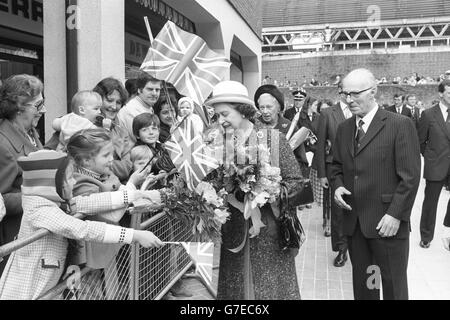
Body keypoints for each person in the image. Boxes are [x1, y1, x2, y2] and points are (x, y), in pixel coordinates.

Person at [0, 149, 165, 300]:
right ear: (51, 182)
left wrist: (140, 195)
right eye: (69, 178)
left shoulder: (55, 201)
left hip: (45, 286)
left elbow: (91, 202)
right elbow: (82, 229)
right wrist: (133, 235)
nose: (74, 182)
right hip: (27, 290)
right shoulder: (40, 209)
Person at [205, 81, 302, 300]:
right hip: (235, 232)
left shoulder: (272, 139)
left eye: (225, 114)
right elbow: (212, 184)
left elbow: (296, 182)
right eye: (217, 115)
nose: (221, 121)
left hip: (269, 233)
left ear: (243, 110)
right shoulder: (218, 144)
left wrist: (265, 191)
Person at [331, 68, 420, 300]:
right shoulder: (344, 129)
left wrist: (395, 215)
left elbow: (410, 177)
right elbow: (336, 165)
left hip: (386, 224)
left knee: (392, 285)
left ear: (374, 92)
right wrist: (338, 185)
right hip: (356, 225)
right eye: (345, 94)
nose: (349, 100)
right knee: (367, 285)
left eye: (355, 94)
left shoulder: (400, 125)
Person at [0, 74, 46, 276]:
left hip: (33, 234)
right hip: (16, 240)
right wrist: (41, 195)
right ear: (19, 107)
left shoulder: (31, 133)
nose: (43, 110)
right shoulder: (2, 144)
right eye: (38, 104)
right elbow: (1, 201)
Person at [316, 83, 353, 267]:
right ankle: (341, 249)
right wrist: (322, 174)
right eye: (346, 92)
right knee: (338, 211)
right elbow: (321, 144)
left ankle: (356, 246)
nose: (349, 96)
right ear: (340, 92)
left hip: (359, 170)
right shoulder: (328, 113)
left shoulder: (362, 110)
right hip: (335, 170)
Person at [418, 79, 450, 249]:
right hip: (436, 165)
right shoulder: (429, 115)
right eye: (449, 92)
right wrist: (431, 157)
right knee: (430, 203)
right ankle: (426, 236)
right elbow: (421, 142)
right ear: (440, 94)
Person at [93, 77, 134, 182]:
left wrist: (98, 164)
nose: (114, 106)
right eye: (109, 100)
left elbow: (126, 168)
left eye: (119, 102)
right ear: (98, 100)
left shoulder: (121, 132)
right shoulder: (81, 124)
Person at [117, 73, 162, 143]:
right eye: (150, 89)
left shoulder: (147, 106)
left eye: (157, 90)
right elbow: (143, 141)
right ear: (139, 90)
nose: (154, 93)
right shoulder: (131, 110)